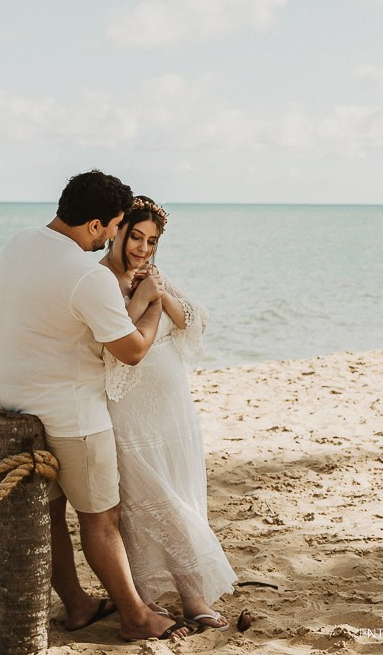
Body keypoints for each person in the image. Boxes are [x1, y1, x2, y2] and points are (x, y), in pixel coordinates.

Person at [0, 171, 190, 642]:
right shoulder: (85, 277)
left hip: (3, 398)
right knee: (100, 517)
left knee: (48, 512)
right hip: (67, 408)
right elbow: (132, 350)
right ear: (97, 225)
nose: (118, 235)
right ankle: (137, 616)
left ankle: (76, 604)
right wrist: (153, 304)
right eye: (117, 225)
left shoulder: (19, 243)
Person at [100, 196, 237, 630]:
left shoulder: (153, 275)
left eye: (152, 241)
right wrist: (146, 300)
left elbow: (195, 320)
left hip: (173, 412)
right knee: (148, 503)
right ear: (117, 231)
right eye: (135, 237)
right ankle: (156, 599)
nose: (142, 248)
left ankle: (190, 595)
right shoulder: (98, 279)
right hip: (128, 412)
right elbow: (110, 339)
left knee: (182, 496)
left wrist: (159, 295)